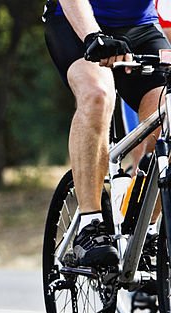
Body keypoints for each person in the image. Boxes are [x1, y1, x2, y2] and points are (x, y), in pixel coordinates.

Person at [44, 0, 170, 269]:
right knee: (97, 95)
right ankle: (90, 226)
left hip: (141, 27)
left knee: (167, 113)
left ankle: (143, 229)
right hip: (75, 23)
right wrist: (94, 36)